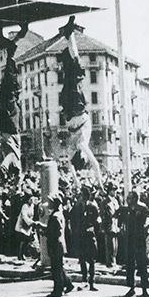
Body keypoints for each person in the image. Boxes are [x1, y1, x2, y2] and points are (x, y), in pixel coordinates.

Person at [58, 16, 103, 189]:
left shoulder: (81, 145)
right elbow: (69, 164)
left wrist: (99, 183)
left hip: (76, 110)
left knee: (75, 69)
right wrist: (76, 182)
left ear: (81, 157)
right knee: (72, 72)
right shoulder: (73, 149)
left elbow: (95, 164)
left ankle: (69, 37)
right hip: (70, 111)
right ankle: (69, 39)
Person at [0, 23, 28, 180]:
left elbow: (10, 156)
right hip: (5, 122)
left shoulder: (14, 159)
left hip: (11, 122)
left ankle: (6, 35)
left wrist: (4, 166)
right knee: (9, 78)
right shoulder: (15, 162)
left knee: (10, 78)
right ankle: (2, 34)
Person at [36, 193, 74, 297]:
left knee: (56, 268)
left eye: (50, 202)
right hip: (59, 244)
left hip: (55, 245)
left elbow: (54, 232)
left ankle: (58, 290)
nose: (48, 204)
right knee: (59, 266)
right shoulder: (58, 214)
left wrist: (43, 231)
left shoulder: (55, 216)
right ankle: (68, 283)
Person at [124, 190, 149, 297]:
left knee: (142, 265)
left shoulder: (142, 208)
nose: (128, 200)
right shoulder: (127, 209)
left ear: (135, 199)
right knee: (130, 265)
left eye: (130, 198)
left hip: (139, 240)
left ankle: (145, 290)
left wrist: (146, 227)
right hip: (130, 240)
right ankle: (131, 288)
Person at [80, 186, 101, 291]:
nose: (82, 197)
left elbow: (97, 221)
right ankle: (84, 280)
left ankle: (92, 282)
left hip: (90, 235)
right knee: (82, 259)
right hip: (81, 235)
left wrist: (93, 230)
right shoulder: (78, 206)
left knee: (92, 260)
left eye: (84, 195)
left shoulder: (93, 206)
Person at [102, 182, 120, 269]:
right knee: (110, 245)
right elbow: (103, 215)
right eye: (113, 190)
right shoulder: (105, 201)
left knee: (115, 246)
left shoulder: (115, 201)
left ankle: (114, 261)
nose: (115, 192)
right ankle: (110, 262)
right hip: (109, 225)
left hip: (115, 225)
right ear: (109, 191)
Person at [15, 195, 35, 260]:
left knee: (27, 240)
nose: (32, 201)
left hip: (28, 226)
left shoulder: (32, 206)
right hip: (22, 225)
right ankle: (20, 254)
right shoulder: (25, 206)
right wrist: (29, 222)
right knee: (23, 239)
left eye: (33, 200)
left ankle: (23, 253)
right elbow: (24, 216)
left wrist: (32, 223)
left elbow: (32, 215)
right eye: (30, 199)